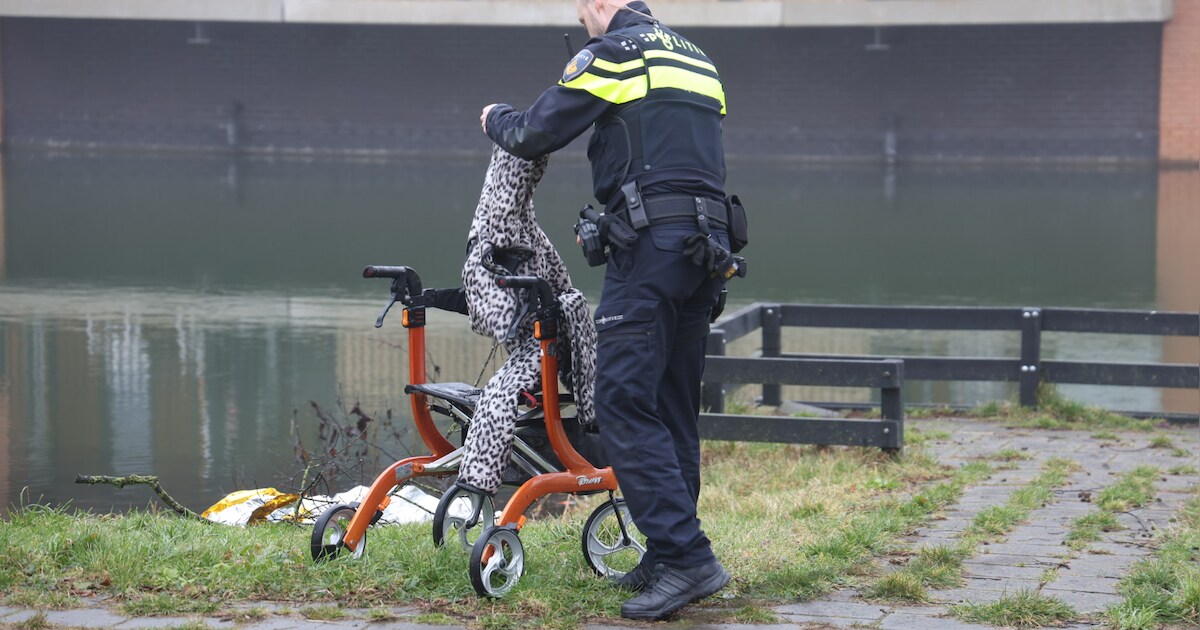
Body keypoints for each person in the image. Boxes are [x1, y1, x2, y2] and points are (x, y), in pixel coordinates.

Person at [480, 0, 734, 620]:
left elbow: (534, 131)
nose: (584, 23)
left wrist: (492, 118)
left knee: (621, 403)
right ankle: (668, 554)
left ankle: (688, 558)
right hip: (706, 251)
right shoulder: (698, 59)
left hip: (649, 253)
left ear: (600, 4)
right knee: (672, 406)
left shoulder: (614, 54)